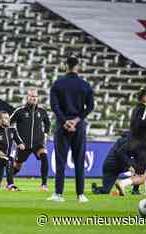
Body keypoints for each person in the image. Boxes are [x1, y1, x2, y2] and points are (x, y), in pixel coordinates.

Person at [48, 57, 94, 202]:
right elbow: (90, 107)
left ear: (65, 66)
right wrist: (76, 120)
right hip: (79, 126)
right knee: (79, 160)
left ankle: (58, 194)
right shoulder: (85, 85)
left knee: (60, 161)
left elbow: (54, 106)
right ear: (77, 67)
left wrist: (65, 121)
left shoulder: (57, 84)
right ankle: (80, 195)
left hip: (62, 126)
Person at [114, 88, 146, 196]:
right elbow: (141, 123)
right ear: (144, 98)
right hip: (141, 145)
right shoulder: (144, 109)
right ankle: (122, 183)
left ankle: (133, 172)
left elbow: (141, 126)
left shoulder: (136, 109)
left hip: (132, 142)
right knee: (141, 177)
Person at [9, 88, 51, 191]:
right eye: (31, 96)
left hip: (38, 143)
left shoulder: (42, 111)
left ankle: (44, 185)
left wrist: (45, 134)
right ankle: (9, 181)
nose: (33, 98)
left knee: (44, 156)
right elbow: (8, 123)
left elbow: (47, 123)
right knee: (17, 166)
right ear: (27, 97)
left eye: (35, 96)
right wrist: (14, 138)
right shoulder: (20, 111)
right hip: (23, 145)